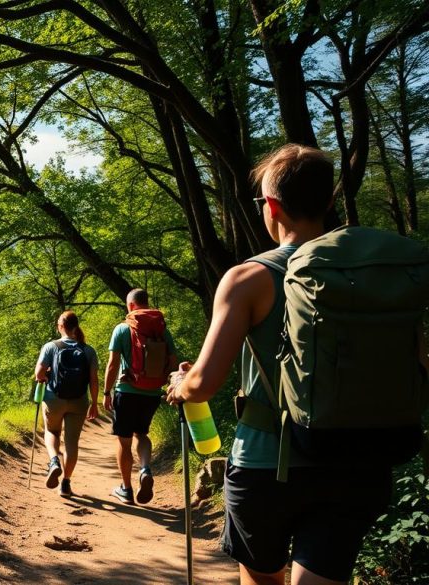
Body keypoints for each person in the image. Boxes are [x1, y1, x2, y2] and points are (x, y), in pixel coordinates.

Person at [166, 144, 392, 585]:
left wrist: (181, 385)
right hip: (358, 461)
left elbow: (205, 383)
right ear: (328, 202)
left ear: (271, 206)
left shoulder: (249, 278)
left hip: (267, 464)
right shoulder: (373, 272)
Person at [103, 288, 178, 505]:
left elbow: (112, 364)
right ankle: (145, 468)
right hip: (152, 392)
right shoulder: (162, 330)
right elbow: (173, 361)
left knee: (124, 442)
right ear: (147, 302)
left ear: (131, 306)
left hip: (126, 391)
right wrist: (168, 386)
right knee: (142, 434)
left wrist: (106, 392)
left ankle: (126, 489)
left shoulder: (122, 329)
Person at [33, 310, 100, 497]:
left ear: (61, 326)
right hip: (79, 401)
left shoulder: (50, 346)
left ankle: (54, 461)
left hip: (54, 398)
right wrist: (94, 403)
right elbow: (94, 380)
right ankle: (66, 483)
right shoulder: (88, 350)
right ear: (76, 327)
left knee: (52, 431)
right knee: (72, 442)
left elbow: (39, 373)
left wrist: (46, 377)